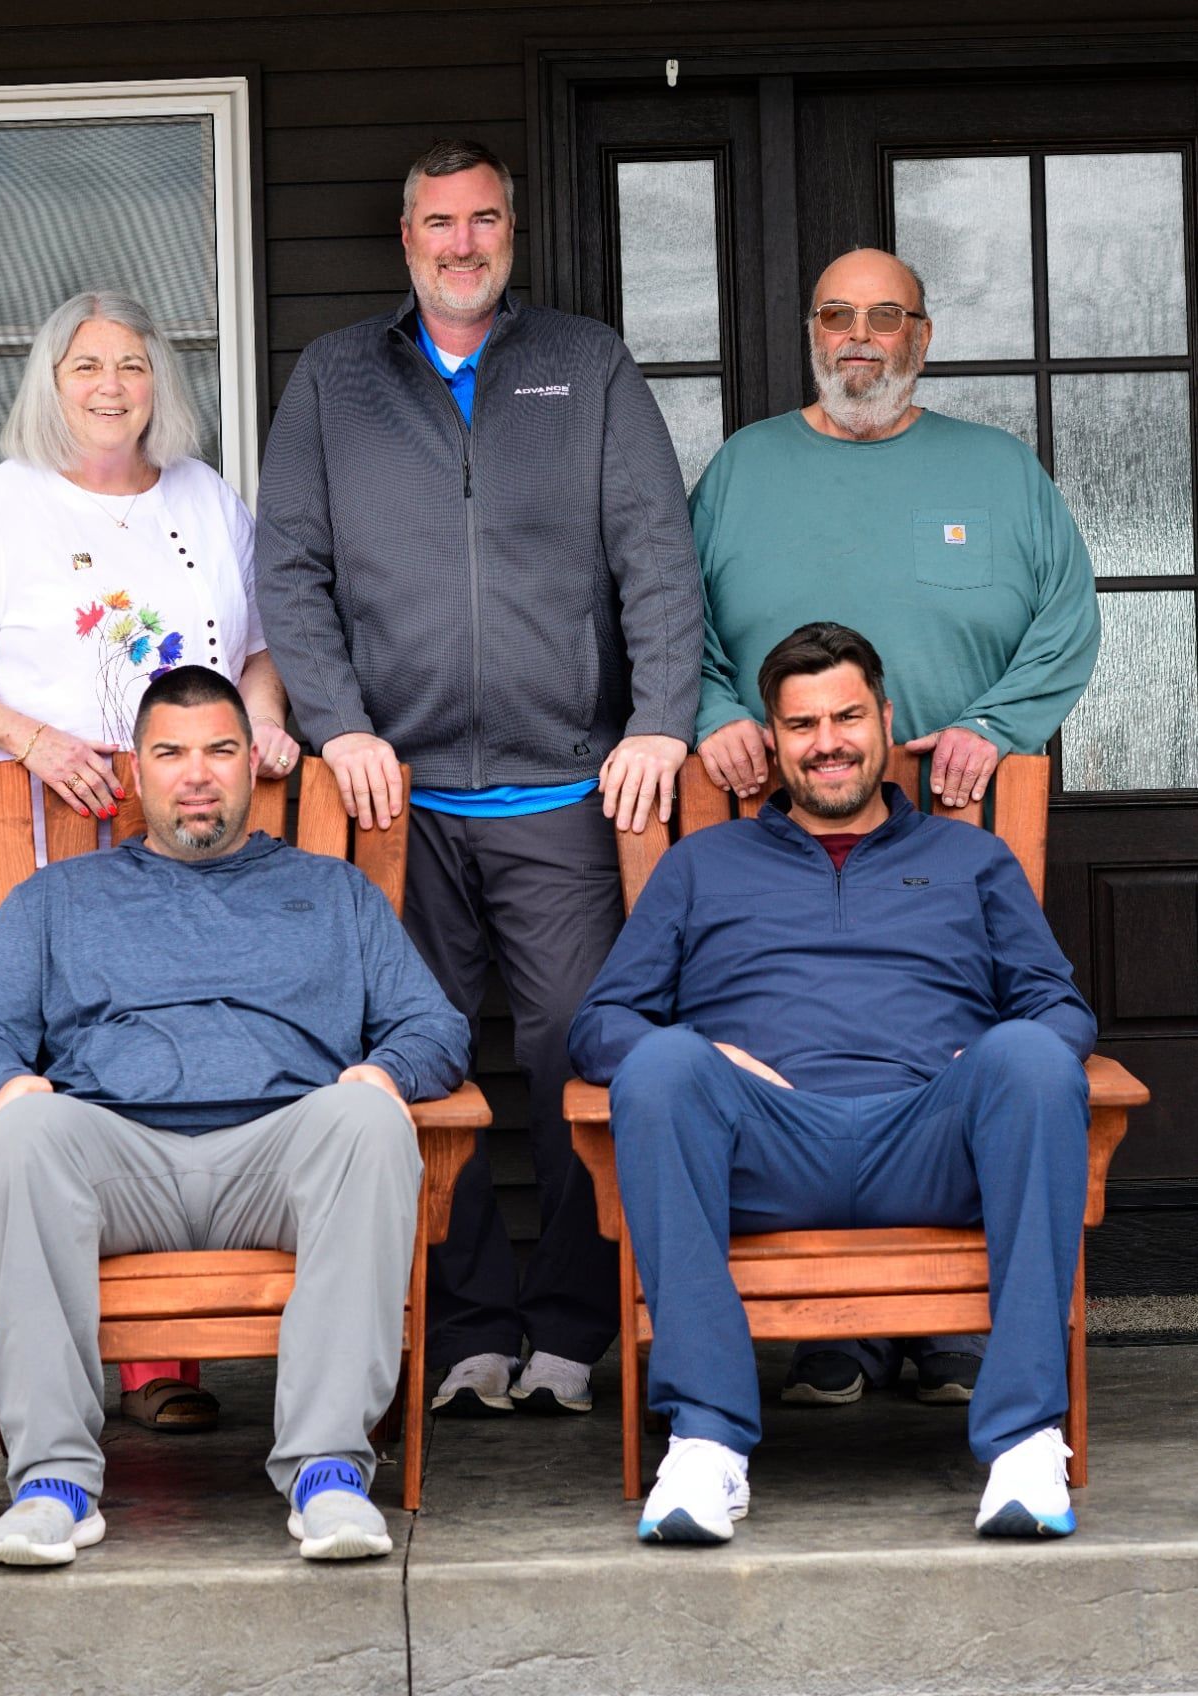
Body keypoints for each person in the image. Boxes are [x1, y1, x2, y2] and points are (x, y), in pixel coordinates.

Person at [255, 139, 702, 1419]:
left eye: (486, 219)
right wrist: (338, 723)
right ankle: (461, 1325)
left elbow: (657, 560)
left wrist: (660, 718)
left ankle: (568, 1326)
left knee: (580, 1056)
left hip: (563, 792)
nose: (463, 242)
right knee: (412, 1067)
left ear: (514, 232)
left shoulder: (588, 361)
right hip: (395, 801)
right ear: (408, 239)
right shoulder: (337, 377)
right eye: (440, 223)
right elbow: (289, 569)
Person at [569, 622, 1096, 1546]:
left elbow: (1059, 1009)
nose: (828, 742)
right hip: (763, 1146)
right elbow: (602, 1024)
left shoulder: (972, 861)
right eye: (802, 723)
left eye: (847, 715)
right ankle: (705, 1445)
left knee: (1031, 1057)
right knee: (657, 1062)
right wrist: (708, 1055)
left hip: (929, 1141)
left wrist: (987, 1060)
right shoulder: (701, 866)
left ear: (885, 719)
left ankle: (1022, 1440)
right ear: (771, 740)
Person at [0, 666, 470, 1567]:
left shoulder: (332, 895)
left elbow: (434, 1027)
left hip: (283, 1155)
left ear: (251, 766)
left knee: (371, 1122)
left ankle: (328, 1473)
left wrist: (385, 1072)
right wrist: (4, 1083)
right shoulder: (59, 901)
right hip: (114, 1162)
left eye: (220, 750)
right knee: (21, 1130)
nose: (196, 774)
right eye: (170, 753)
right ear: (133, 771)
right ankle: (53, 1484)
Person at [689, 247, 1099, 1410]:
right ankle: (840, 1326)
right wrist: (720, 713)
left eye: (884, 317)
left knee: (962, 1029)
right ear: (810, 331)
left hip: (954, 824)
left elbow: (1066, 621)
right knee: (809, 1024)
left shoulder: (997, 470)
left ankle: (947, 1330)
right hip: (783, 820)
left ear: (921, 337)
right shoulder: (742, 470)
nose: (857, 335)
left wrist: (997, 724)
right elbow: (679, 619)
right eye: (835, 315)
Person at [0, 290, 300, 1435]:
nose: (112, 384)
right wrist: (33, 737)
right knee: (51, 1070)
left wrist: (263, 722)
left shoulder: (204, 494)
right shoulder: (1, 504)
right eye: (87, 365)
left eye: (133, 362)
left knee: (178, 1056)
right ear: (52, 381)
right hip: (42, 827)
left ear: (159, 381)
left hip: (185, 831)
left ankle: (161, 1355)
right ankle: (50, 1350)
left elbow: (258, 646)